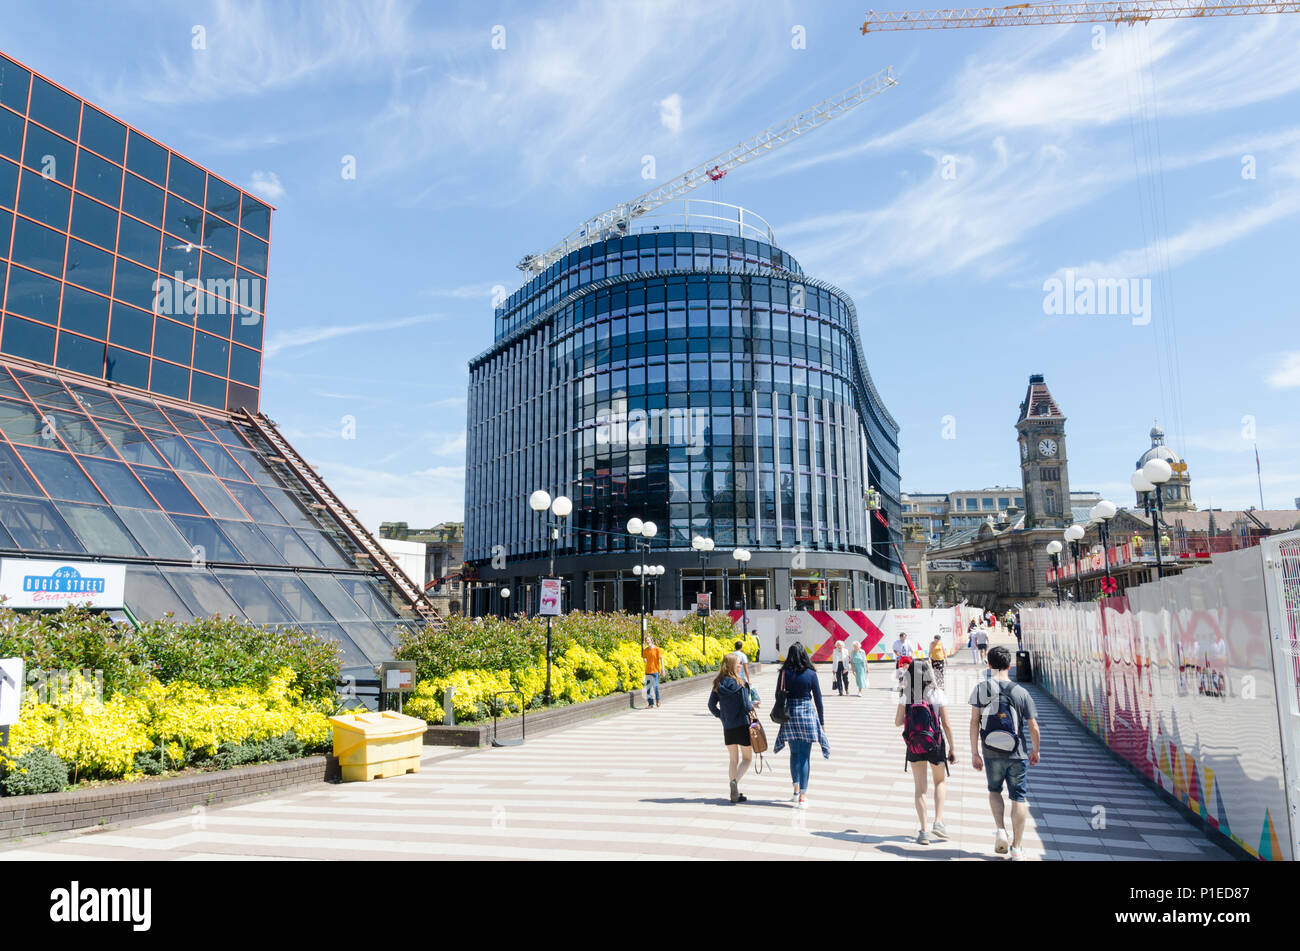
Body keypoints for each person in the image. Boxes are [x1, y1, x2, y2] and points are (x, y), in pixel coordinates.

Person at [969, 646, 1041, 861]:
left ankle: (1000, 829)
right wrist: (1036, 750)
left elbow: (974, 723)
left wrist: (975, 753)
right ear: (1010, 666)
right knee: (1018, 797)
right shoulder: (1021, 692)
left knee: (994, 790)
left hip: (991, 752)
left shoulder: (981, 689)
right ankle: (1017, 848)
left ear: (989, 664)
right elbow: (1033, 726)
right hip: (1017, 753)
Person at [896, 658, 957, 845]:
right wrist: (953, 747)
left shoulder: (906, 694)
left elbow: (898, 722)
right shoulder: (937, 693)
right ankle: (938, 822)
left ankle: (923, 832)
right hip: (936, 743)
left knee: (920, 789)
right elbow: (945, 723)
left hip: (914, 744)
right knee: (940, 781)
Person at [773, 642, 829, 809]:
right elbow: (818, 699)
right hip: (806, 715)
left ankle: (795, 791)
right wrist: (822, 722)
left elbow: (777, 695)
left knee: (794, 754)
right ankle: (803, 797)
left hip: (789, 715)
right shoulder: (811, 673)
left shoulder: (784, 673)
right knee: (805, 756)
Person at [707, 654, 755, 803]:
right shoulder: (740, 683)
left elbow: (711, 705)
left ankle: (734, 792)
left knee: (733, 759)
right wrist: (754, 704)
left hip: (728, 726)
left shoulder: (718, 683)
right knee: (747, 759)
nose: (740, 666)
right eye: (738, 664)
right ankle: (734, 783)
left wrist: (722, 716)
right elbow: (746, 706)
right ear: (733, 665)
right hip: (741, 724)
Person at [642, 636, 663, 709]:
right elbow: (644, 658)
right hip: (648, 671)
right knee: (648, 688)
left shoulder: (657, 649)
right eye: (646, 640)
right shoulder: (645, 650)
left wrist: (663, 669)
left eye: (648, 640)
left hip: (655, 671)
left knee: (655, 687)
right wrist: (644, 659)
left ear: (651, 640)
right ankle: (650, 704)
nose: (647, 641)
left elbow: (661, 659)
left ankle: (658, 700)